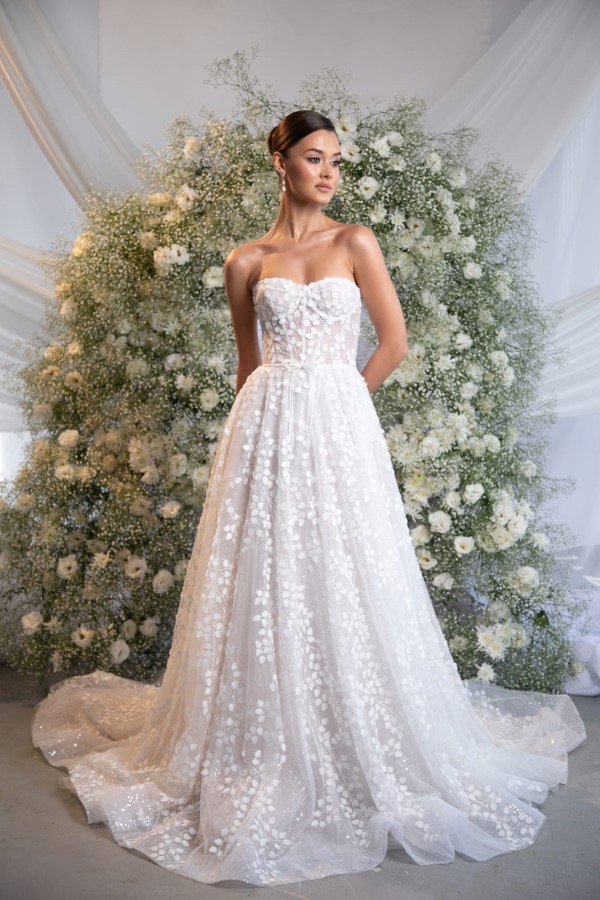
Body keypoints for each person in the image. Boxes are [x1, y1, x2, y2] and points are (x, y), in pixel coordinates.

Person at [31, 109, 585, 887]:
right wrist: (247, 448)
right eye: (315, 158)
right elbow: (247, 366)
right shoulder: (245, 261)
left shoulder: (355, 242)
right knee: (269, 577)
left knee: (344, 567)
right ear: (280, 161)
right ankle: (265, 730)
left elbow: (393, 342)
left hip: (338, 427)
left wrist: (342, 403)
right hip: (265, 430)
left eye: (335, 161)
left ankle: (347, 725)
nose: (329, 173)